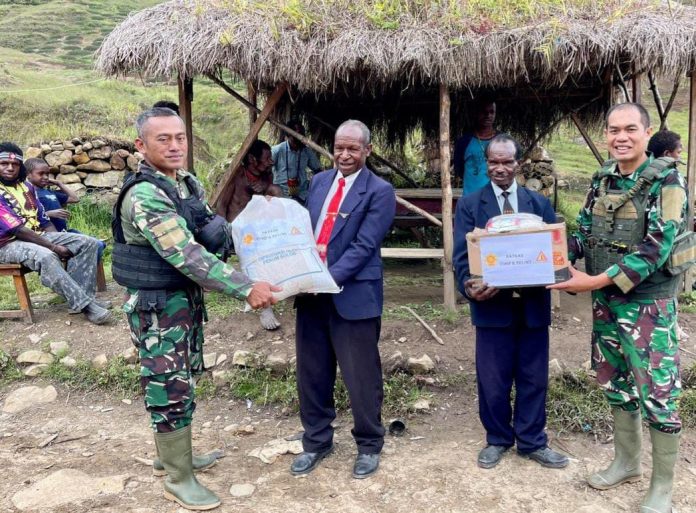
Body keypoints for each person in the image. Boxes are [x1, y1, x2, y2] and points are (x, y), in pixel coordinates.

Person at [112, 107, 279, 511]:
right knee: (167, 384)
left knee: (181, 377)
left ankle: (175, 457)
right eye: (163, 139)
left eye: (180, 137)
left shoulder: (184, 183)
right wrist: (245, 287)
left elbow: (212, 228)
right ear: (141, 145)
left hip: (181, 301)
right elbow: (186, 255)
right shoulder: (146, 195)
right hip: (157, 307)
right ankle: (177, 477)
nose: (174, 146)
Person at [549, 103, 687, 513]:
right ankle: (627, 462)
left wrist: (588, 281)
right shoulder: (603, 178)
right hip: (609, 305)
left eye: (630, 129)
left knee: (659, 393)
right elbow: (585, 235)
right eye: (613, 130)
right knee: (615, 382)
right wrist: (548, 255)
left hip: (649, 307)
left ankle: (662, 487)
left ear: (646, 134)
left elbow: (655, 251)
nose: (620, 137)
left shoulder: (669, 183)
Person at [452, 134, 569, 471]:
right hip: (491, 308)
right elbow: (462, 258)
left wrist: (560, 264)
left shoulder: (538, 204)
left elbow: (559, 249)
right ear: (486, 163)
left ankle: (532, 441)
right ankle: (498, 439)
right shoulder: (472, 205)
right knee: (493, 377)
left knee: (534, 377)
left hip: (533, 307)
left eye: (506, 162)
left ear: (518, 164)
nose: (500, 168)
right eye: (494, 162)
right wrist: (469, 287)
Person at [290, 119, 396, 480]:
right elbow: (304, 232)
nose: (344, 155)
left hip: (352, 295)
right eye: (339, 147)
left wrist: (326, 278)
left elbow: (365, 246)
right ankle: (316, 441)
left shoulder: (380, 191)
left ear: (367, 150)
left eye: (353, 148)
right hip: (310, 295)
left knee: (361, 376)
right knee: (312, 372)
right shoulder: (319, 182)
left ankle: (369, 444)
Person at [0, 143, 111, 324]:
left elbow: (43, 220)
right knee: (45, 255)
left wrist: (59, 238)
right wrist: (53, 246)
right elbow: (16, 229)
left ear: (20, 167)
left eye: (15, 164)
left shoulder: (26, 188)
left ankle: (81, 299)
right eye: (4, 163)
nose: (10, 168)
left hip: (35, 235)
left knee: (88, 242)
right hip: (6, 244)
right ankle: (87, 305)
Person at [219, 139, 283, 330]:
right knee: (257, 253)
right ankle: (265, 306)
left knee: (276, 191)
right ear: (252, 159)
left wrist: (264, 187)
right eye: (267, 158)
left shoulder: (266, 176)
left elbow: (268, 198)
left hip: (258, 228)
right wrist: (222, 235)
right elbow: (221, 206)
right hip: (237, 229)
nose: (271, 162)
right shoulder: (236, 175)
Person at [25, 158, 107, 263]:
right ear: (28, 174)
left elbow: (75, 199)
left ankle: (82, 272)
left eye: (47, 174)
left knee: (99, 244)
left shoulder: (50, 192)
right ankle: (79, 275)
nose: (45, 177)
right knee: (96, 245)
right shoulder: (28, 194)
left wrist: (59, 184)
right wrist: (49, 214)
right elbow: (26, 217)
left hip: (65, 232)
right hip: (51, 237)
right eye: (41, 174)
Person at [271, 118, 322, 203]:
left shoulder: (307, 151)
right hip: (281, 194)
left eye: (302, 134)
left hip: (302, 195)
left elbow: (318, 171)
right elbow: (265, 169)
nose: (301, 137)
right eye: (297, 134)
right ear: (288, 135)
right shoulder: (277, 150)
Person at [453, 100, 497, 195]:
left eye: (492, 112)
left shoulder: (502, 139)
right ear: (476, 114)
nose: (488, 115)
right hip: (471, 198)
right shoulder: (464, 142)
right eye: (484, 112)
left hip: (497, 199)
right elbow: (459, 169)